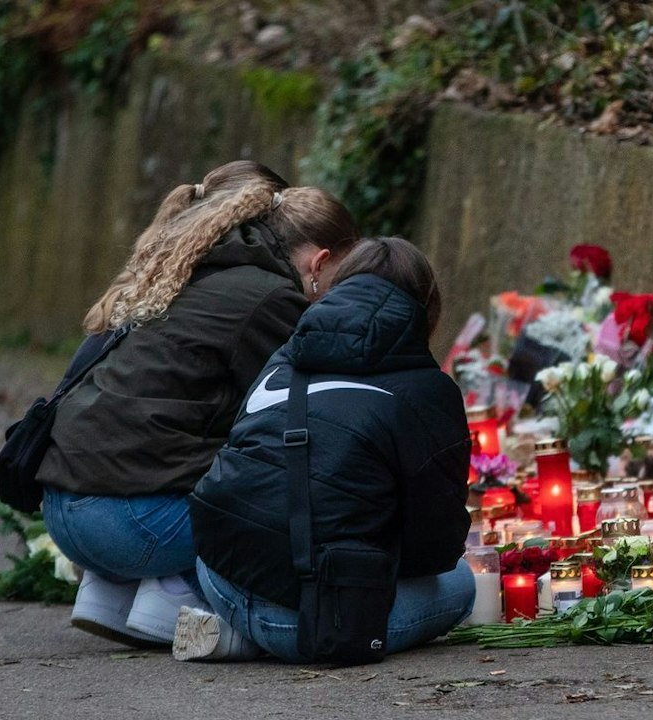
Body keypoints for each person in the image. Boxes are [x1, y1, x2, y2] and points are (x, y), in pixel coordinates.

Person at [40, 162, 361, 645]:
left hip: (64, 510)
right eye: (343, 278)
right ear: (319, 263)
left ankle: (110, 592)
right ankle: (174, 591)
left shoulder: (188, 272)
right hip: (131, 525)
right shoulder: (271, 299)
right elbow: (300, 424)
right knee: (293, 490)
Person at [180, 237, 475, 663]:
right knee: (463, 584)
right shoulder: (429, 392)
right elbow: (435, 549)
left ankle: (242, 632)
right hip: (327, 618)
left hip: (221, 577)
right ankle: (272, 636)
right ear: (427, 307)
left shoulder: (286, 356)